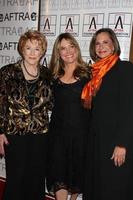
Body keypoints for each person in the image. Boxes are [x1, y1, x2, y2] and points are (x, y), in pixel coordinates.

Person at [0, 30, 53, 200]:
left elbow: (53, 103)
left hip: (40, 135)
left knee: (36, 179)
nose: (32, 53)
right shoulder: (7, 72)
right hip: (14, 134)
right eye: (28, 48)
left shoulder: (47, 74)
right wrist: (0, 132)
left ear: (42, 51)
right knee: (16, 179)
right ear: (21, 49)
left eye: (37, 49)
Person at [81, 28, 133, 200]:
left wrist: (122, 144)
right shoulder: (95, 73)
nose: (101, 47)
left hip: (115, 143)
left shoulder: (124, 69)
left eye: (105, 42)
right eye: (97, 43)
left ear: (113, 45)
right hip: (96, 142)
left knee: (114, 189)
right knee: (97, 188)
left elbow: (128, 109)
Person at [46, 32, 91, 200]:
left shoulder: (89, 75)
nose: (68, 51)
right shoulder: (53, 77)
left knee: (76, 178)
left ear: (77, 48)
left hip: (81, 136)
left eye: (71, 46)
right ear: (58, 53)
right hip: (57, 137)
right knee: (59, 177)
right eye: (63, 48)